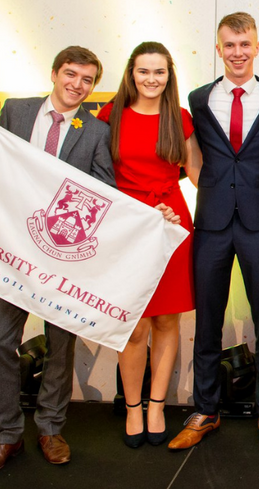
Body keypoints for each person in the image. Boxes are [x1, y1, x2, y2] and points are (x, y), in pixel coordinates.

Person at [0, 46, 116, 474]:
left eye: (86, 80)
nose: (76, 85)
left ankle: (50, 428)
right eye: (70, 74)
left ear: (93, 87)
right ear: (54, 73)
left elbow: (104, 193)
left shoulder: (96, 131)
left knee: (60, 346)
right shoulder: (17, 111)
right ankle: (5, 436)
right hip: (6, 252)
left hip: (61, 260)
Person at [167, 12, 259, 456]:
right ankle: (205, 409)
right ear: (218, 49)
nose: (237, 52)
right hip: (211, 224)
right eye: (229, 45)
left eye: (245, 44)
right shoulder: (198, 99)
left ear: (258, 47)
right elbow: (193, 157)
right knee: (207, 321)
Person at [96, 41, 201, 448]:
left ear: (169, 75)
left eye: (159, 72)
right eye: (144, 72)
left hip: (171, 223)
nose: (151, 79)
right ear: (131, 74)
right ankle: (134, 407)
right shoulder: (110, 115)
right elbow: (92, 170)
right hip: (124, 225)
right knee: (133, 325)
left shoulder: (181, 118)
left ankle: (157, 406)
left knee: (167, 320)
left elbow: (197, 175)